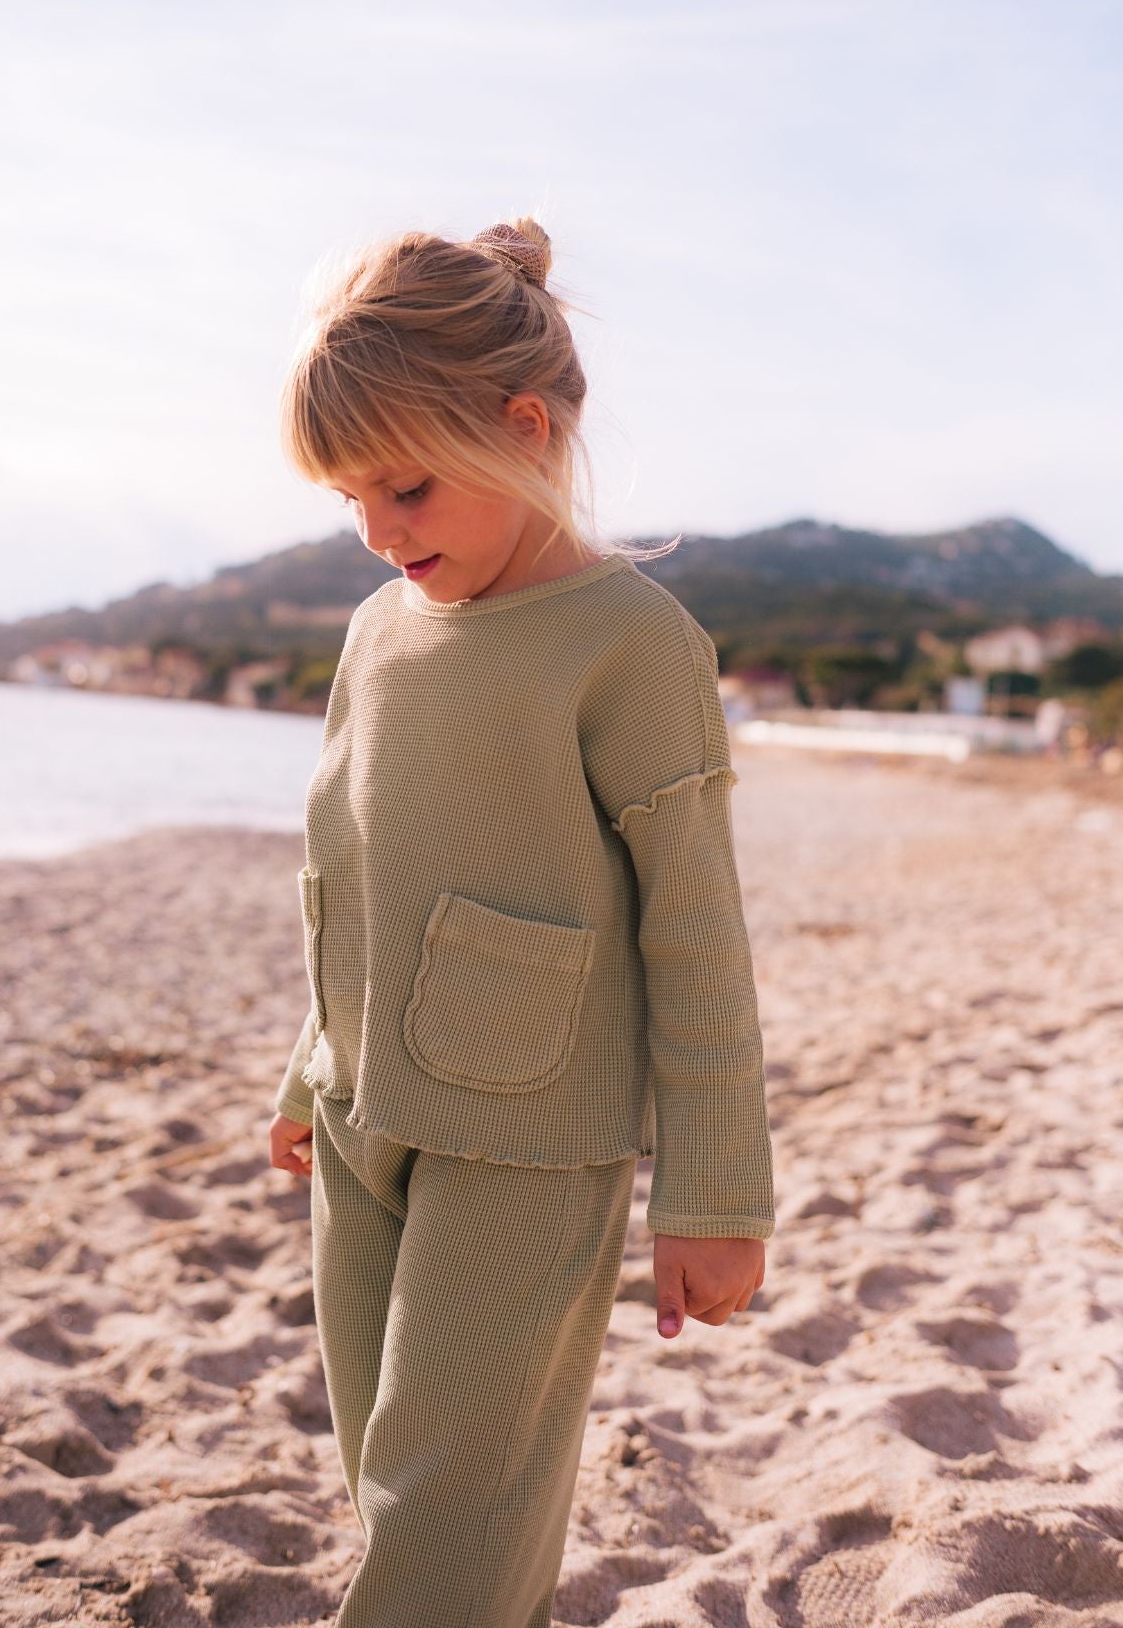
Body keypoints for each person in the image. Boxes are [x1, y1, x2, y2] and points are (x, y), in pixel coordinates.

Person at [265, 215, 775, 1628]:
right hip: (362, 1113)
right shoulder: (377, 635)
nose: (378, 533)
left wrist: (714, 1196)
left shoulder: (633, 644)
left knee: (453, 1498)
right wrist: (309, 1064)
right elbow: (344, 859)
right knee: (391, 1471)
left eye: (408, 489)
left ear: (524, 427)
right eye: (350, 501)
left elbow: (695, 934)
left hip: (532, 1139)